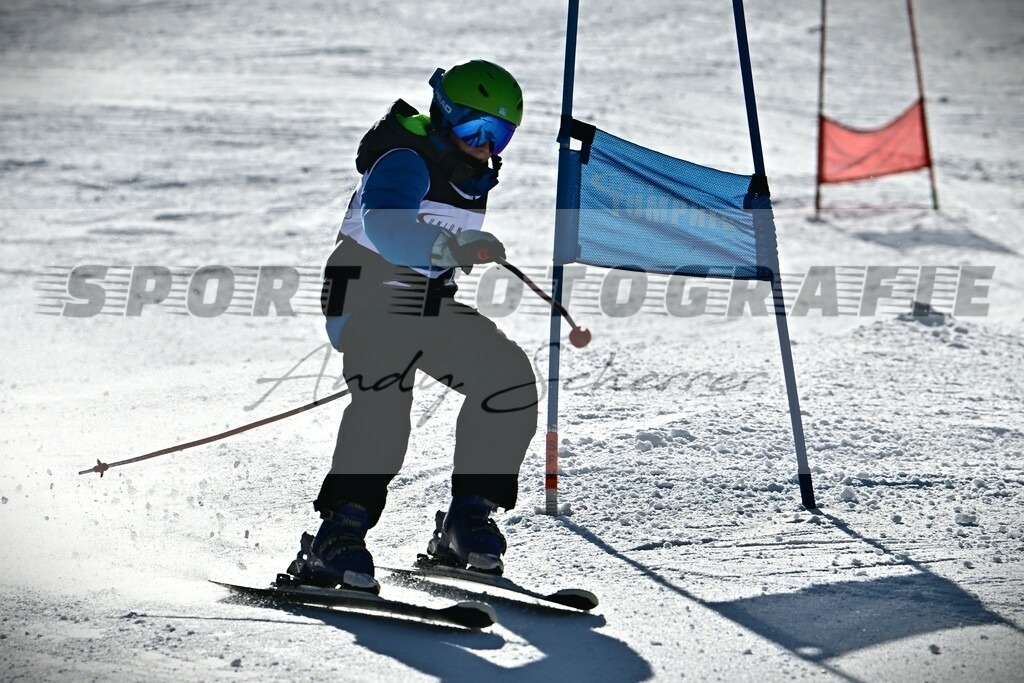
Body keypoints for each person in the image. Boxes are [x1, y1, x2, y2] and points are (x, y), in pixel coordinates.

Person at [286, 60, 538, 593]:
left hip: (421, 302)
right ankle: (340, 534)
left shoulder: (471, 173)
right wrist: (452, 246)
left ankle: (466, 522)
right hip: (363, 293)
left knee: (507, 377)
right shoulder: (405, 158)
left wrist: (454, 254)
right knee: (385, 394)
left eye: (501, 134)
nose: (485, 144)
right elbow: (390, 230)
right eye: (475, 128)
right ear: (445, 116)